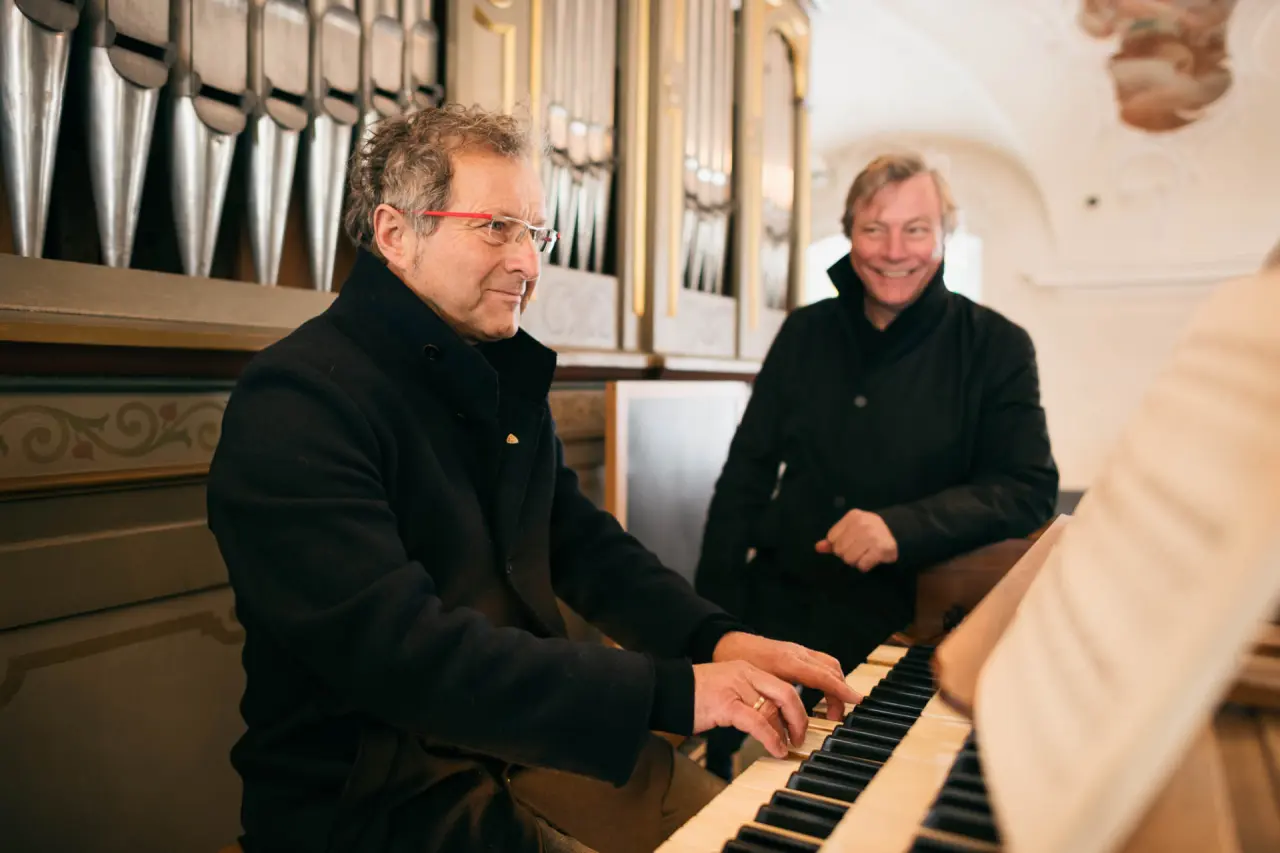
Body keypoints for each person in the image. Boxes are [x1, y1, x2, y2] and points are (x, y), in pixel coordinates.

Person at [205, 102, 858, 853]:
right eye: (495, 227)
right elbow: (405, 655)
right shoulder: (296, 400)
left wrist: (722, 638)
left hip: (522, 745)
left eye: (533, 232)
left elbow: (586, 548)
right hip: (378, 798)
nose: (527, 263)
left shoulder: (490, 372)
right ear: (395, 234)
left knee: (760, 833)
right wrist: (674, 690)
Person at [694, 152, 1058, 776]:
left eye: (916, 229)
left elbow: (1028, 489)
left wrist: (901, 527)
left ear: (944, 235)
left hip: (905, 629)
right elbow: (746, 477)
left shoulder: (997, 345)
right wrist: (709, 628)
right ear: (848, 233)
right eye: (874, 229)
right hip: (778, 612)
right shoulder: (805, 332)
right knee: (735, 787)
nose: (895, 250)